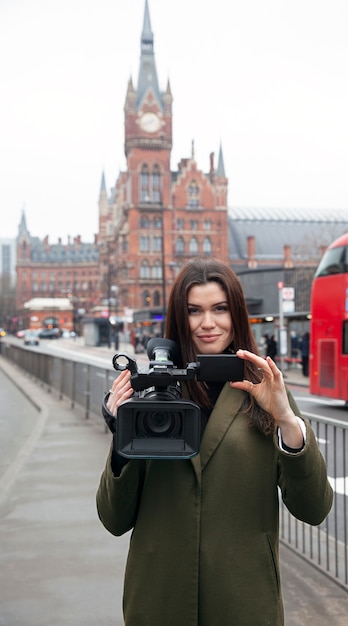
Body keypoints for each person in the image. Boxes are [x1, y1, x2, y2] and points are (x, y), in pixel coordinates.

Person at [96, 258, 333, 626]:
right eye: (194, 311)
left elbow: (314, 508)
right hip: (158, 599)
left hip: (244, 600)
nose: (208, 323)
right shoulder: (154, 393)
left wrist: (288, 420)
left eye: (220, 308)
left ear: (236, 314)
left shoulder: (266, 390)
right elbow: (113, 518)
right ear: (180, 318)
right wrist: (121, 433)